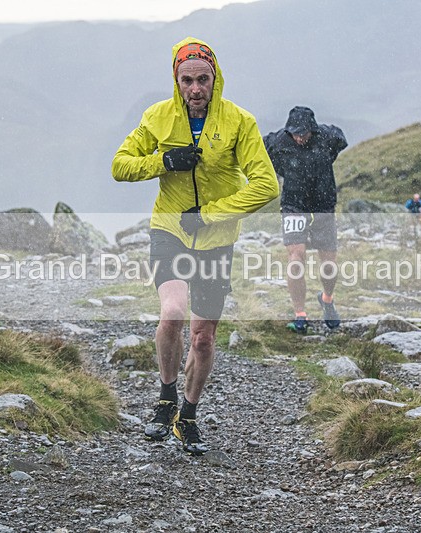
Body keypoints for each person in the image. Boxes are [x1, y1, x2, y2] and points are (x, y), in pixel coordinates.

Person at [111, 38, 279, 454]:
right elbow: (120, 166)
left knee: (202, 338)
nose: (196, 88)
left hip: (216, 239)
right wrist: (163, 162)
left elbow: (267, 185)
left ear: (215, 78)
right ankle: (166, 399)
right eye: (187, 80)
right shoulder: (159, 117)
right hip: (169, 227)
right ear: (176, 80)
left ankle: (188, 415)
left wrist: (212, 213)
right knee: (172, 313)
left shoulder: (239, 121)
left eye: (203, 79)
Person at [264, 106, 348, 333]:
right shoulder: (278, 141)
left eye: (304, 133)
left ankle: (327, 298)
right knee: (296, 255)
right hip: (293, 205)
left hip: (323, 205)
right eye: (295, 133)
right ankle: (300, 314)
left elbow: (342, 139)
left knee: (328, 263)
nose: (299, 138)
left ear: (312, 129)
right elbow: (257, 150)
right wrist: (278, 170)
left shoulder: (328, 137)